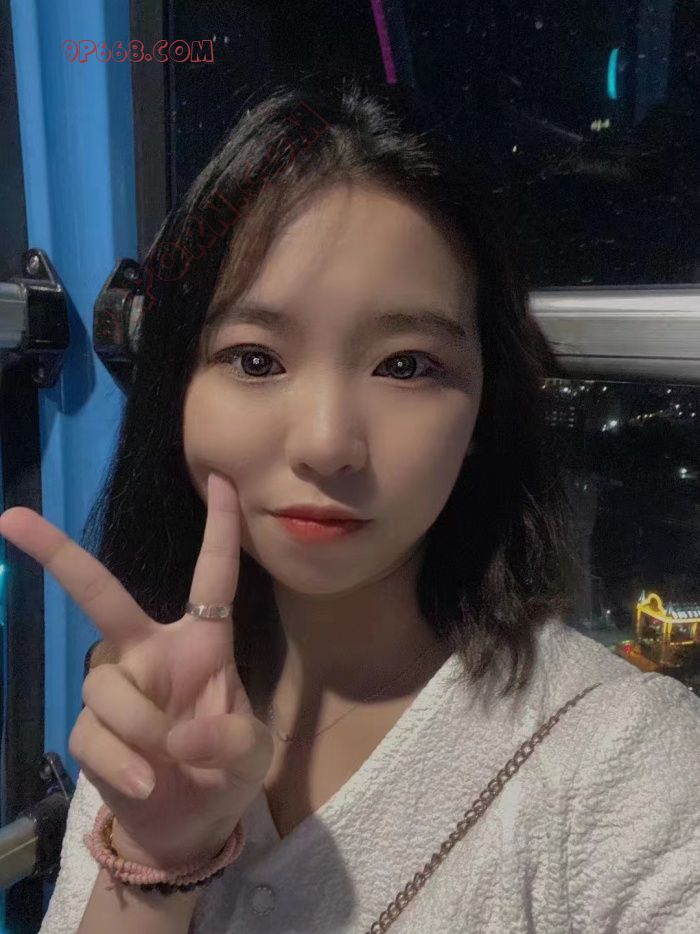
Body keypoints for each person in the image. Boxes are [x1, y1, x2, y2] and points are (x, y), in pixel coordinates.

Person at [1, 75, 698, 933]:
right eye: (256, 360)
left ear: (484, 409)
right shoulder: (152, 700)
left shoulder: (621, 760)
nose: (328, 442)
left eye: (406, 365)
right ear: (177, 389)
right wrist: (156, 855)